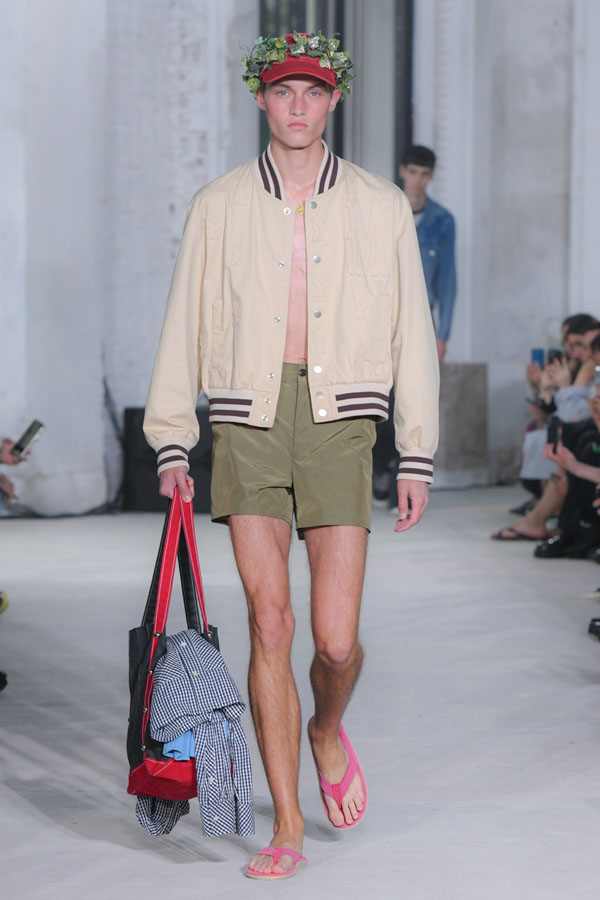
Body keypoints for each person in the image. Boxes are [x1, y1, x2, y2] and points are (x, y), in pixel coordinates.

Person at [143, 30, 439, 880]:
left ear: (333, 99)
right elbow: (184, 321)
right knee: (270, 623)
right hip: (248, 419)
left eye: (312, 91)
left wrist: (415, 452)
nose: (298, 105)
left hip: (342, 421)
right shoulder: (219, 205)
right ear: (261, 99)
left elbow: (411, 330)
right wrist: (172, 438)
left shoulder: (380, 205)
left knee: (336, 642)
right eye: (283, 91)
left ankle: (325, 728)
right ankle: (287, 825)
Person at [399, 145, 456, 364]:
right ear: (402, 171)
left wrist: (442, 336)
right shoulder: (383, 212)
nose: (417, 180)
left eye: (424, 174)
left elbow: (447, 281)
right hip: (383, 317)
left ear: (431, 176)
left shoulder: (443, 221)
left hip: (421, 320)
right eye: (413, 172)